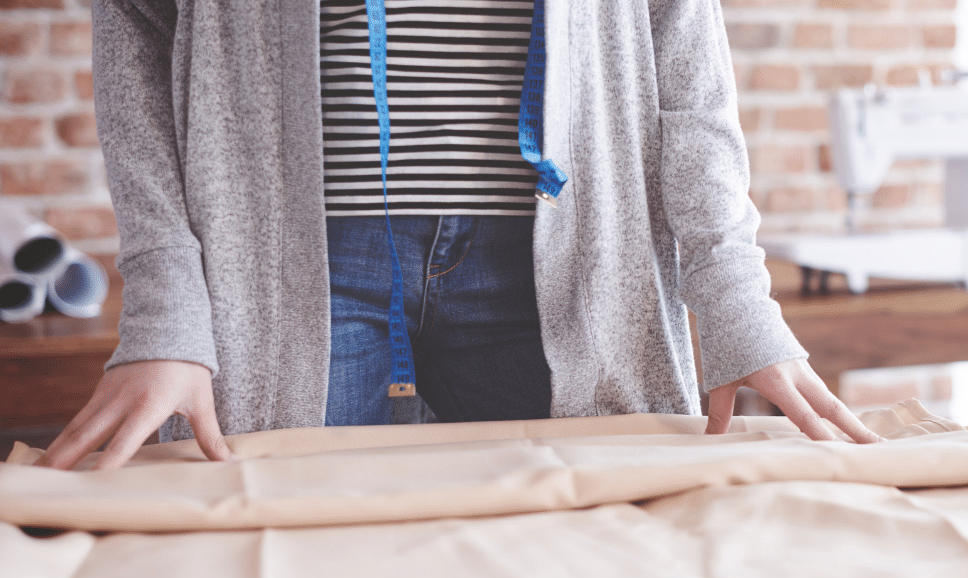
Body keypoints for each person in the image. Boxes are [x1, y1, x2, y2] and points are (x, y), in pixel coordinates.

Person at [36, 0, 881, 471]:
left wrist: (732, 292)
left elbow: (685, 63)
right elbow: (137, 28)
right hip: (285, 274)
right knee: (280, 555)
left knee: (589, 558)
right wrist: (167, 307)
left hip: (565, 266)